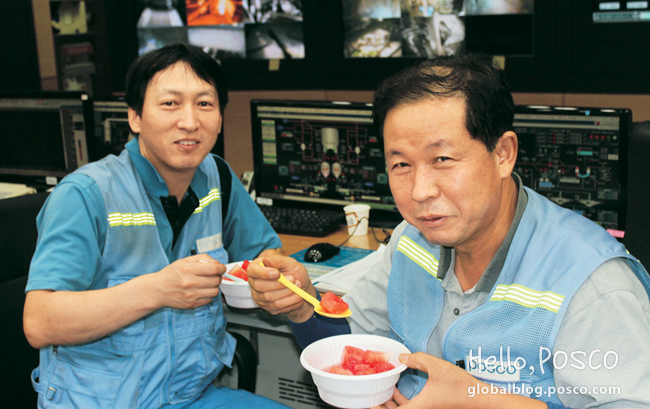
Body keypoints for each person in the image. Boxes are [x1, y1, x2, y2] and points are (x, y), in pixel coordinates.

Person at [248, 53, 650, 408]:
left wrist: (482, 399)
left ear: (503, 154)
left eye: (442, 158)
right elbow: (351, 344)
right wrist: (302, 305)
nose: (421, 192)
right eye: (401, 165)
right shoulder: (411, 241)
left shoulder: (594, 285)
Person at [23, 43, 290, 409]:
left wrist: (271, 272)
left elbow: (264, 252)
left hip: (192, 396)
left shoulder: (218, 177)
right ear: (135, 116)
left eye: (205, 104)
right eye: (170, 103)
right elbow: (39, 322)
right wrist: (156, 290)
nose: (190, 121)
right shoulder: (85, 195)